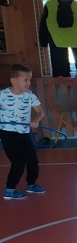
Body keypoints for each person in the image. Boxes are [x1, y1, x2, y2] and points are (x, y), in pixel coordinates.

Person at [0, 64, 46, 199]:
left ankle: (31, 184)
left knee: (33, 160)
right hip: (8, 133)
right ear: (13, 80)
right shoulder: (2, 95)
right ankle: (9, 190)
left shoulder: (29, 95)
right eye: (25, 80)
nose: (28, 83)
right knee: (19, 161)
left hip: (25, 132)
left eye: (29, 80)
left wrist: (36, 120)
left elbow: (40, 112)